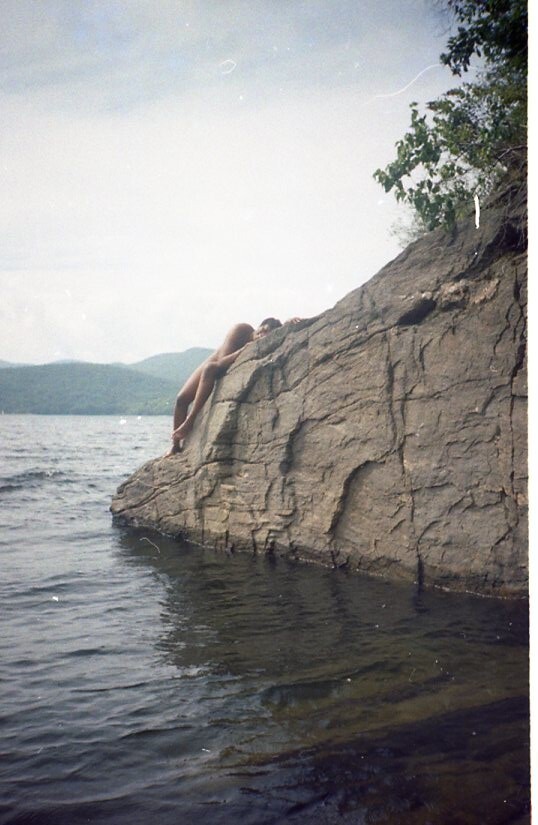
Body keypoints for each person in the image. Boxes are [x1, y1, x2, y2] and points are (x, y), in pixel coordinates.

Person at [166, 317, 287, 455]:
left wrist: (289, 321)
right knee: (181, 398)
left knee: (209, 369)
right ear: (259, 327)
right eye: (262, 330)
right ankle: (175, 445)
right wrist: (242, 351)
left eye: (267, 335)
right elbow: (221, 363)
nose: (262, 335)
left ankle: (190, 421)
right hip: (217, 361)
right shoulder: (241, 330)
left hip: (217, 367)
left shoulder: (258, 345)